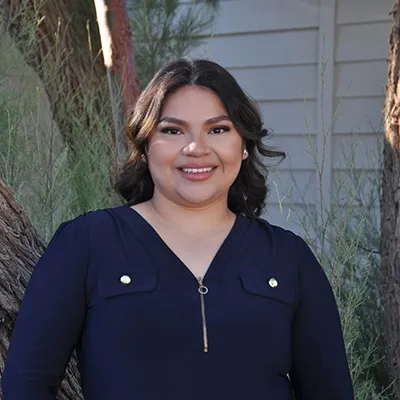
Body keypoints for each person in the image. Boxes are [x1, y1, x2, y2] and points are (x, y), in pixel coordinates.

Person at [2, 58, 354, 399]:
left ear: (243, 145)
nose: (196, 148)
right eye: (172, 130)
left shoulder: (288, 258)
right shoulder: (86, 244)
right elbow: (26, 385)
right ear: (144, 145)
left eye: (218, 129)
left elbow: (330, 391)